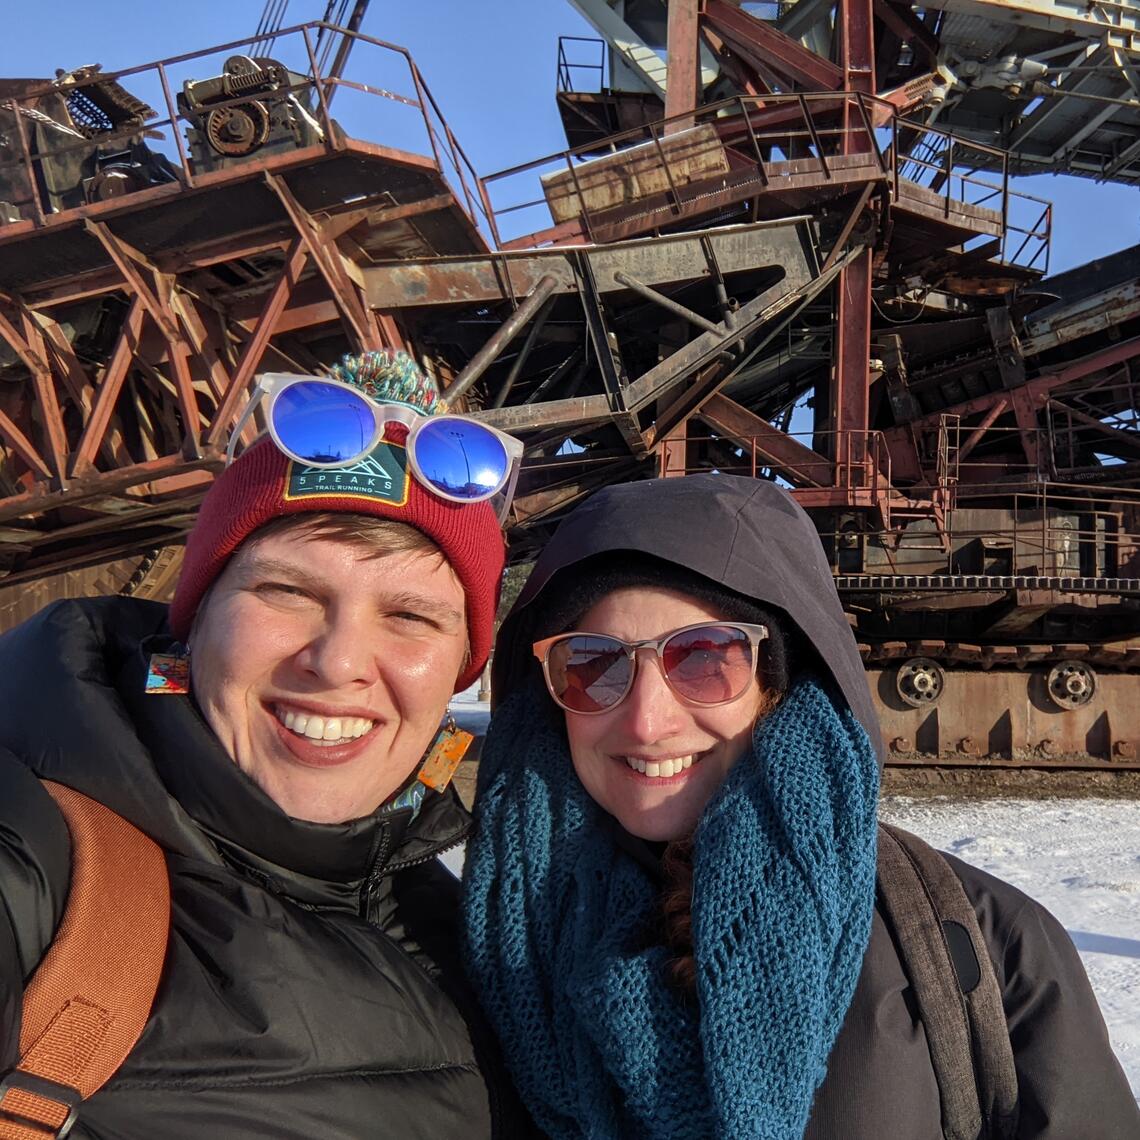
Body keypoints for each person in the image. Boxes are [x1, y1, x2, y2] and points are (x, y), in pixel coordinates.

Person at [463, 474, 1139, 1140]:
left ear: (780, 685)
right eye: (593, 663)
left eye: (704, 659)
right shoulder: (463, 949)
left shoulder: (986, 946)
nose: (646, 722)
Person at [0, 352, 525, 1138]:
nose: (338, 661)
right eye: (286, 592)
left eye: (411, 616)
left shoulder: (483, 917)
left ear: (459, 667)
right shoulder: (40, 860)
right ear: (194, 622)